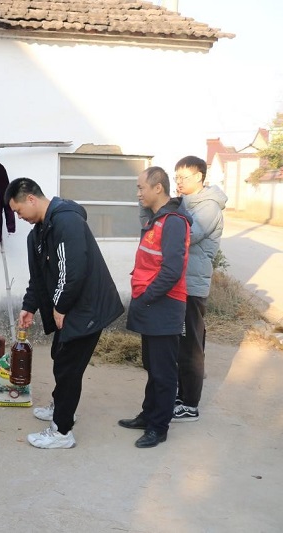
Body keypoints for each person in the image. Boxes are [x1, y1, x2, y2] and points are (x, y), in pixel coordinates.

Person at [5, 177, 124, 449]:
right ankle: (61, 407)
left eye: (18, 210)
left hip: (87, 307)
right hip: (73, 306)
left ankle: (61, 431)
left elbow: (74, 270)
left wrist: (59, 306)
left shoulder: (66, 221)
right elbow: (38, 277)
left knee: (69, 367)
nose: (18, 217)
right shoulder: (38, 233)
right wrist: (29, 306)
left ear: (31, 199)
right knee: (60, 357)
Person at [119, 167, 191, 448]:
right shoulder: (157, 218)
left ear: (158, 187)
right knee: (152, 366)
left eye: (141, 188)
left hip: (164, 304)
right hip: (151, 302)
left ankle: (159, 427)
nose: (138, 193)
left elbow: (172, 270)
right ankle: (148, 415)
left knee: (163, 371)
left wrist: (147, 296)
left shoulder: (173, 222)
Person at [172, 156, 227, 422]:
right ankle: (181, 395)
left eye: (184, 177)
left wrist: (170, 216)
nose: (179, 182)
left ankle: (190, 404)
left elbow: (186, 235)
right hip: (179, 283)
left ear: (199, 177)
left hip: (192, 286)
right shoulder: (185, 203)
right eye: (176, 177)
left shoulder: (209, 207)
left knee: (191, 345)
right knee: (180, 344)